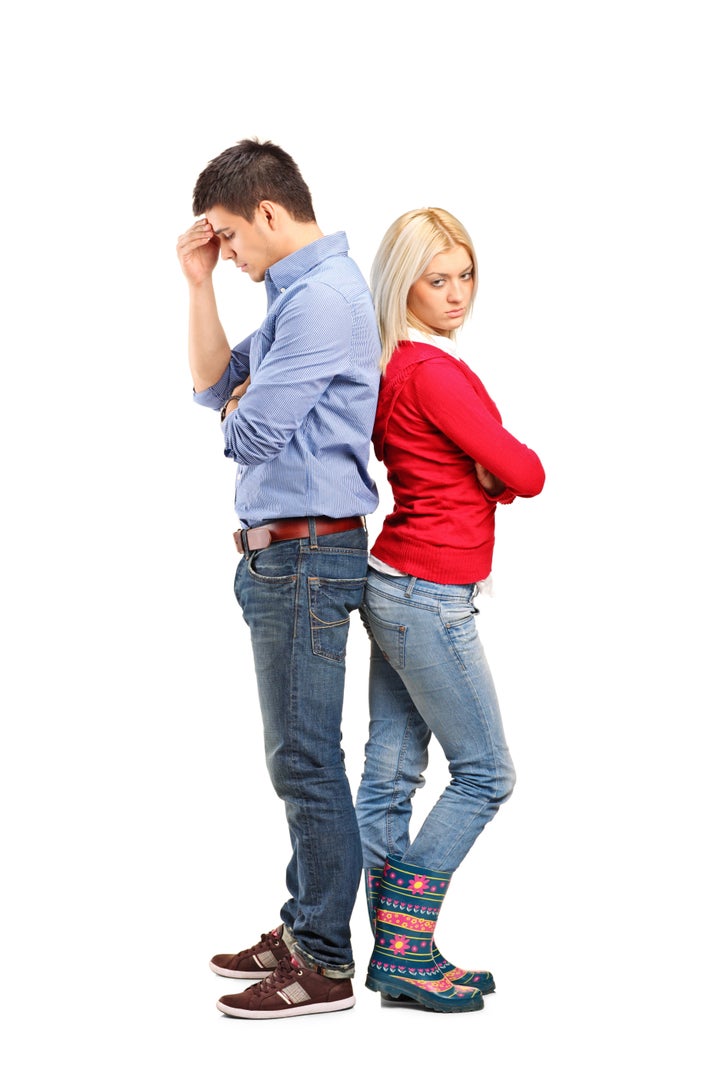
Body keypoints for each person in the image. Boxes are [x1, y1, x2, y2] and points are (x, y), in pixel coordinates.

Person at [176, 138, 380, 1019]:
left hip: (305, 554)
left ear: (267, 213)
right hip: (280, 553)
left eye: (225, 237)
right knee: (297, 753)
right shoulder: (295, 295)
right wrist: (197, 288)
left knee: (304, 757)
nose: (227, 251)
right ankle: (305, 927)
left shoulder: (324, 299)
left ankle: (324, 961)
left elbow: (249, 433)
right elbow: (215, 386)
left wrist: (240, 409)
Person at [356, 207, 545, 1013]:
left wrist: (485, 467)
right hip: (429, 595)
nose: (457, 293)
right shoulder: (433, 373)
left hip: (397, 580)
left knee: (391, 774)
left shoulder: (393, 365)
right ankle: (403, 945)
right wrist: (489, 469)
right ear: (405, 283)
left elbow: (493, 469)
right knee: (486, 774)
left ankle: (395, 952)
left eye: (466, 275)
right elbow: (526, 472)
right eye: (438, 280)